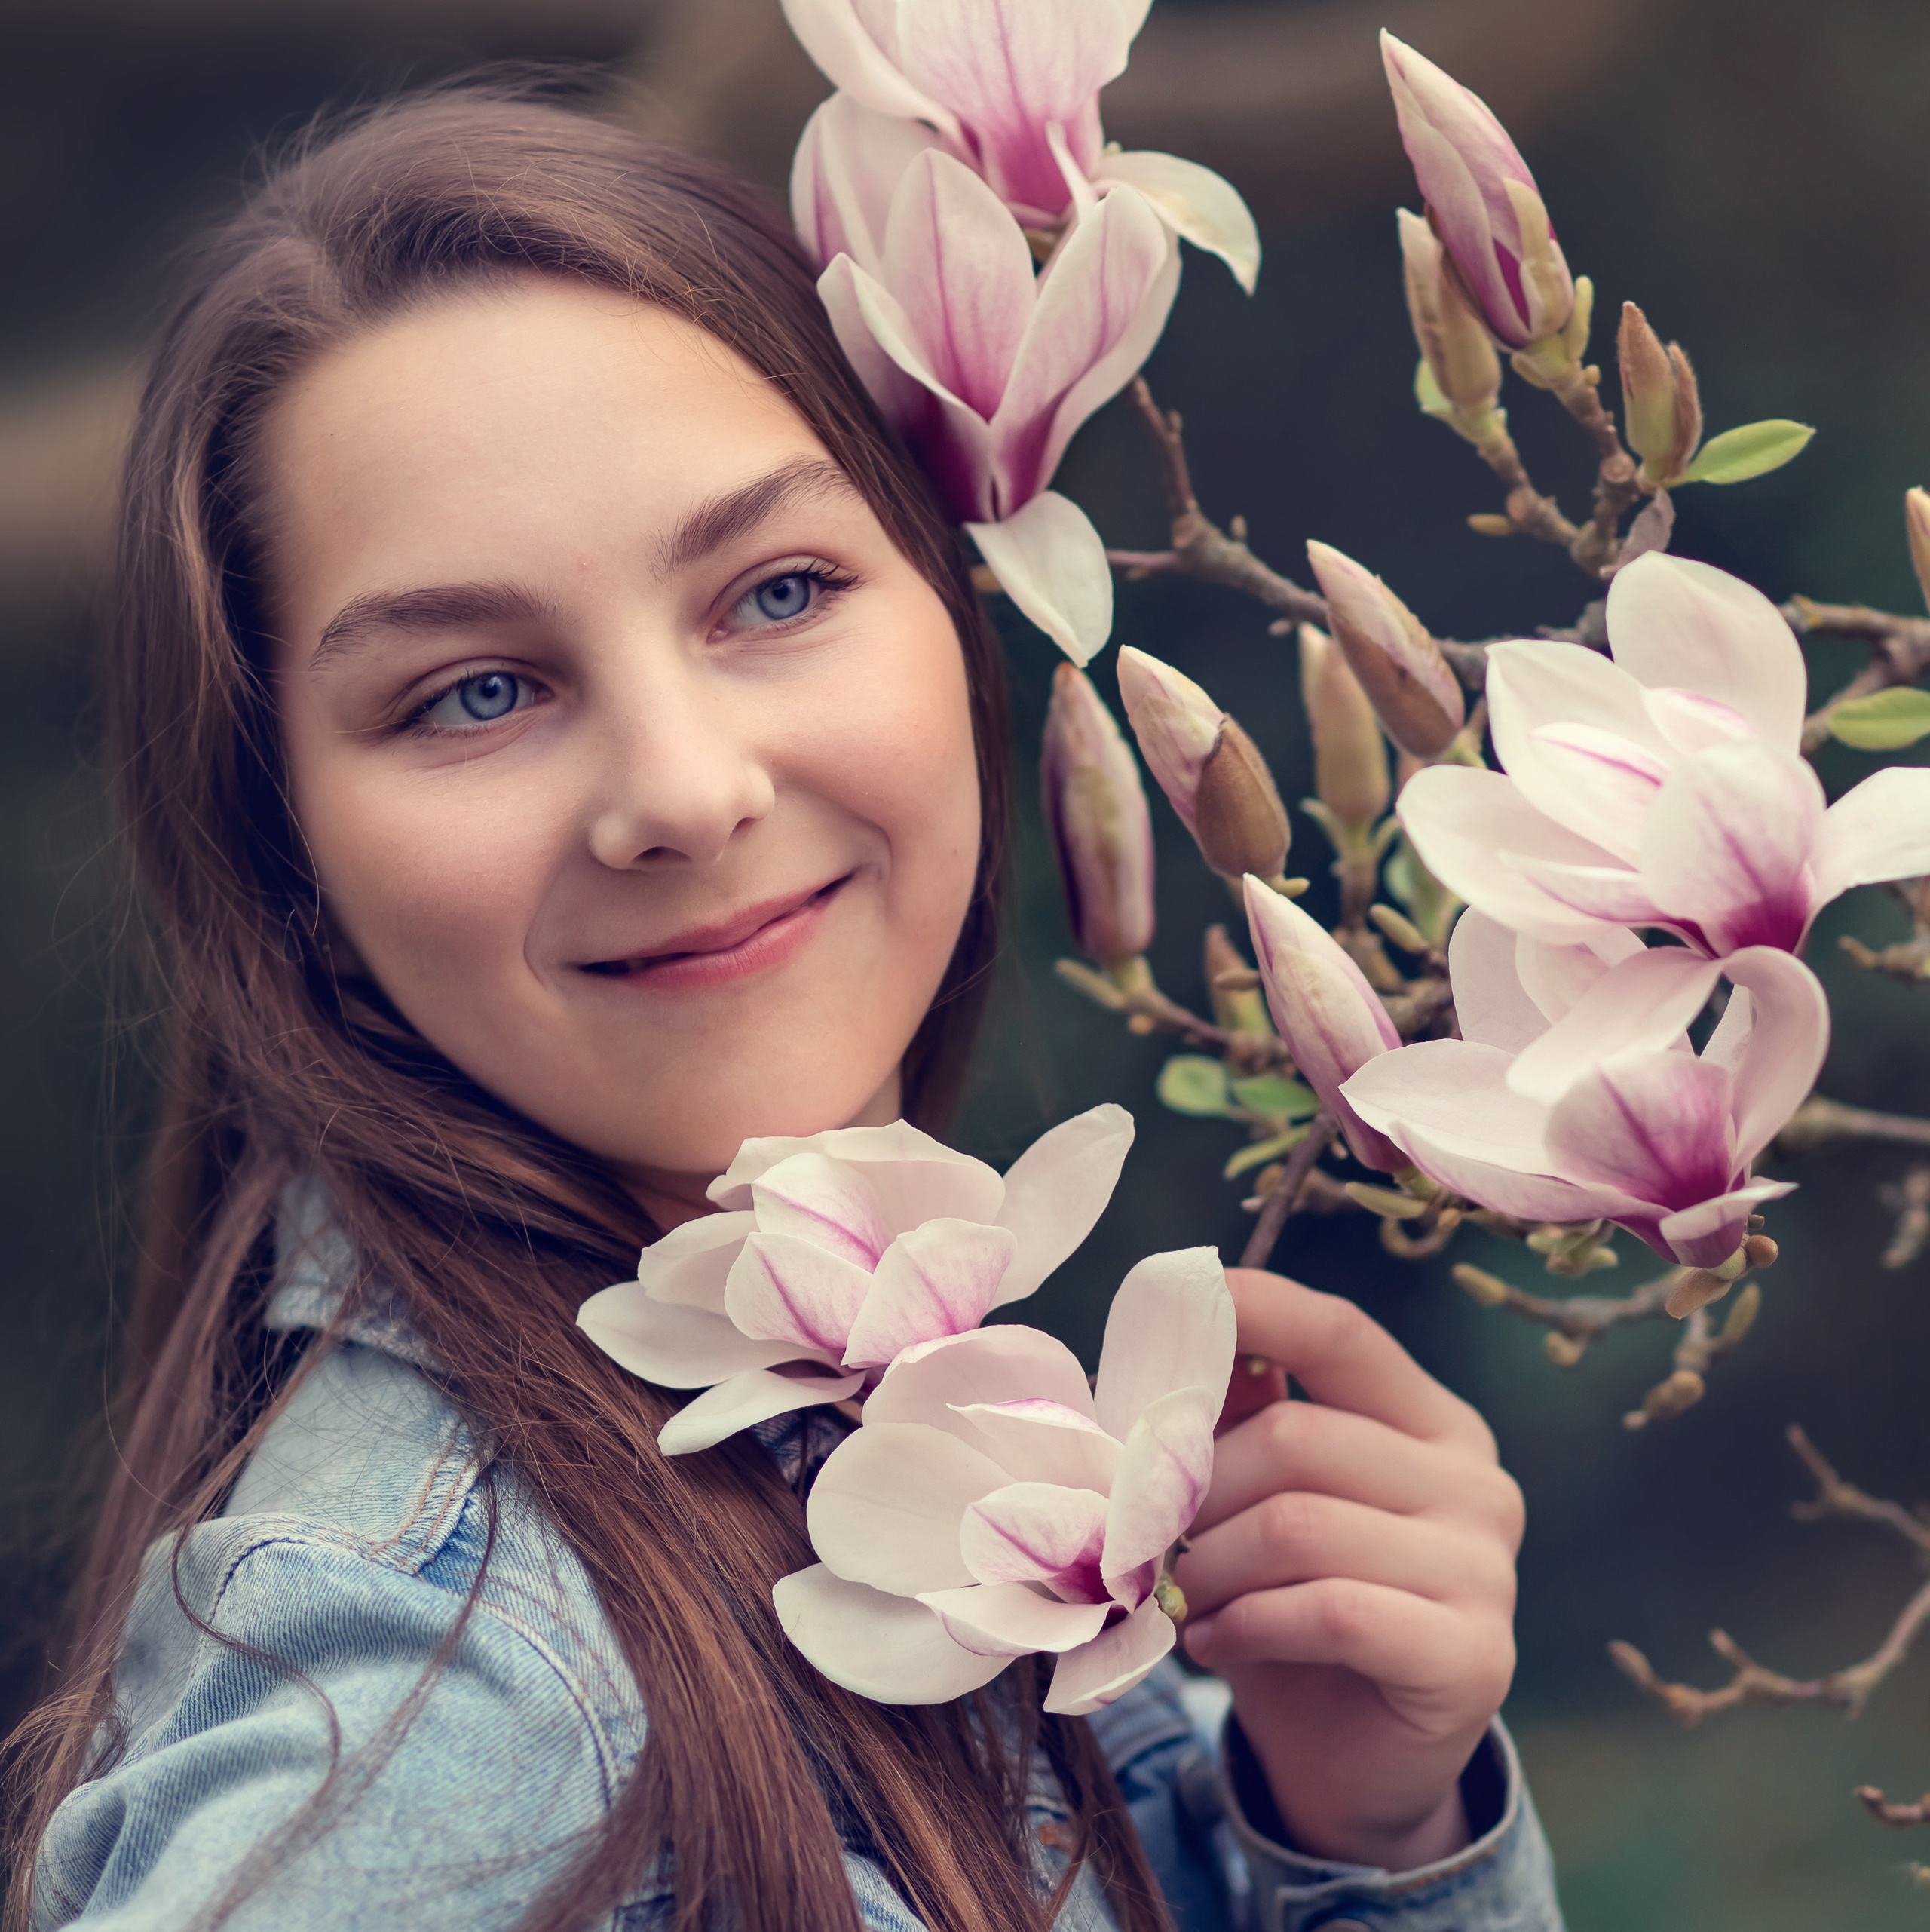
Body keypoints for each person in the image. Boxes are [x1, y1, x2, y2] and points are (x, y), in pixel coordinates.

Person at [4, 84, 1558, 1932]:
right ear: (292, 871)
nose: (683, 788)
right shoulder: (429, 1690)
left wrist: (1362, 1836)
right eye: (472, 694)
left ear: (953, 610)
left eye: (781, 589)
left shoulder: (891, 1452)